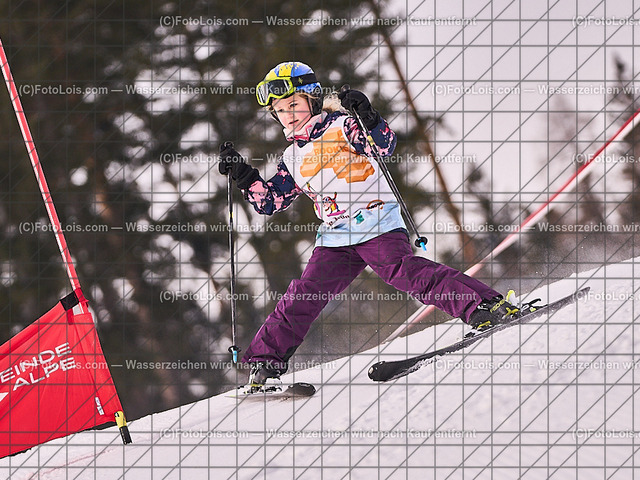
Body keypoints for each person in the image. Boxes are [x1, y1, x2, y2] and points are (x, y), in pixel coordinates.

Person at [219, 61, 523, 389]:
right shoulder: (292, 157)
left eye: (293, 104)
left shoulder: (343, 126)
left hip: (376, 221)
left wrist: (368, 116)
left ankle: (484, 306)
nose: (288, 115)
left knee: (404, 272)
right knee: (304, 294)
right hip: (336, 237)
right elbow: (270, 202)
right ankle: (264, 364)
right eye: (280, 110)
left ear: (312, 99)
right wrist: (244, 175)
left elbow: (383, 146)